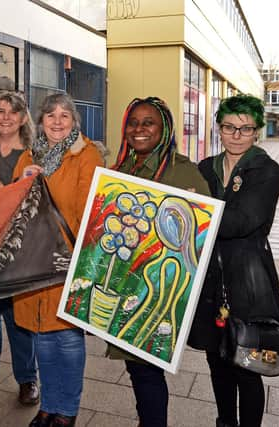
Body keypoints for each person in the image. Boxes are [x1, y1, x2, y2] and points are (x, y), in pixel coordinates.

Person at [109, 96, 209, 427]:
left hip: (159, 290)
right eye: (133, 122)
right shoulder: (119, 171)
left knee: (147, 369)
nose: (139, 129)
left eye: (148, 122)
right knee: (137, 368)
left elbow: (202, 235)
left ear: (164, 128)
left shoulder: (183, 172)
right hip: (125, 288)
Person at [188, 94, 279, 427]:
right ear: (219, 128)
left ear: (256, 131)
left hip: (247, 279)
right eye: (229, 127)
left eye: (245, 128)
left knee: (247, 363)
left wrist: (195, 212)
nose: (236, 134)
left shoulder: (267, 171)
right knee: (217, 360)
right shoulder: (205, 168)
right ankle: (225, 421)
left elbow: (241, 222)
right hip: (211, 277)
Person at [13, 93, 105, 427]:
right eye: (50, 114)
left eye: (64, 115)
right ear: (40, 120)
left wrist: (72, 255)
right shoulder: (28, 155)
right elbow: (12, 205)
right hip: (31, 262)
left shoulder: (86, 154)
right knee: (42, 338)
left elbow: (88, 209)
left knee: (66, 338)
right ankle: (49, 406)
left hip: (66, 259)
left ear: (74, 121)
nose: (56, 121)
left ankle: (67, 410)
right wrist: (23, 183)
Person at [0, 92, 39, 406]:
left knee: (19, 318)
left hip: (18, 245)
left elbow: (32, 204)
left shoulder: (31, 156)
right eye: (0, 111)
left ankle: (27, 379)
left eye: (13, 113)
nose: (5, 117)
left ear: (23, 118)